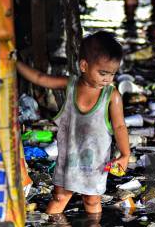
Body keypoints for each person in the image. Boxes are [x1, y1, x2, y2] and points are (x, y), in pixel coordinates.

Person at [16, 31, 131, 215]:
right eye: (103, 73)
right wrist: (14, 62)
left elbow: (119, 127)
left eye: (112, 74)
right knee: (60, 197)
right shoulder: (70, 85)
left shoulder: (111, 96)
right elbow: (40, 78)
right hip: (69, 158)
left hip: (96, 161)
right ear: (84, 65)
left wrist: (125, 154)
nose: (108, 79)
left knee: (92, 200)